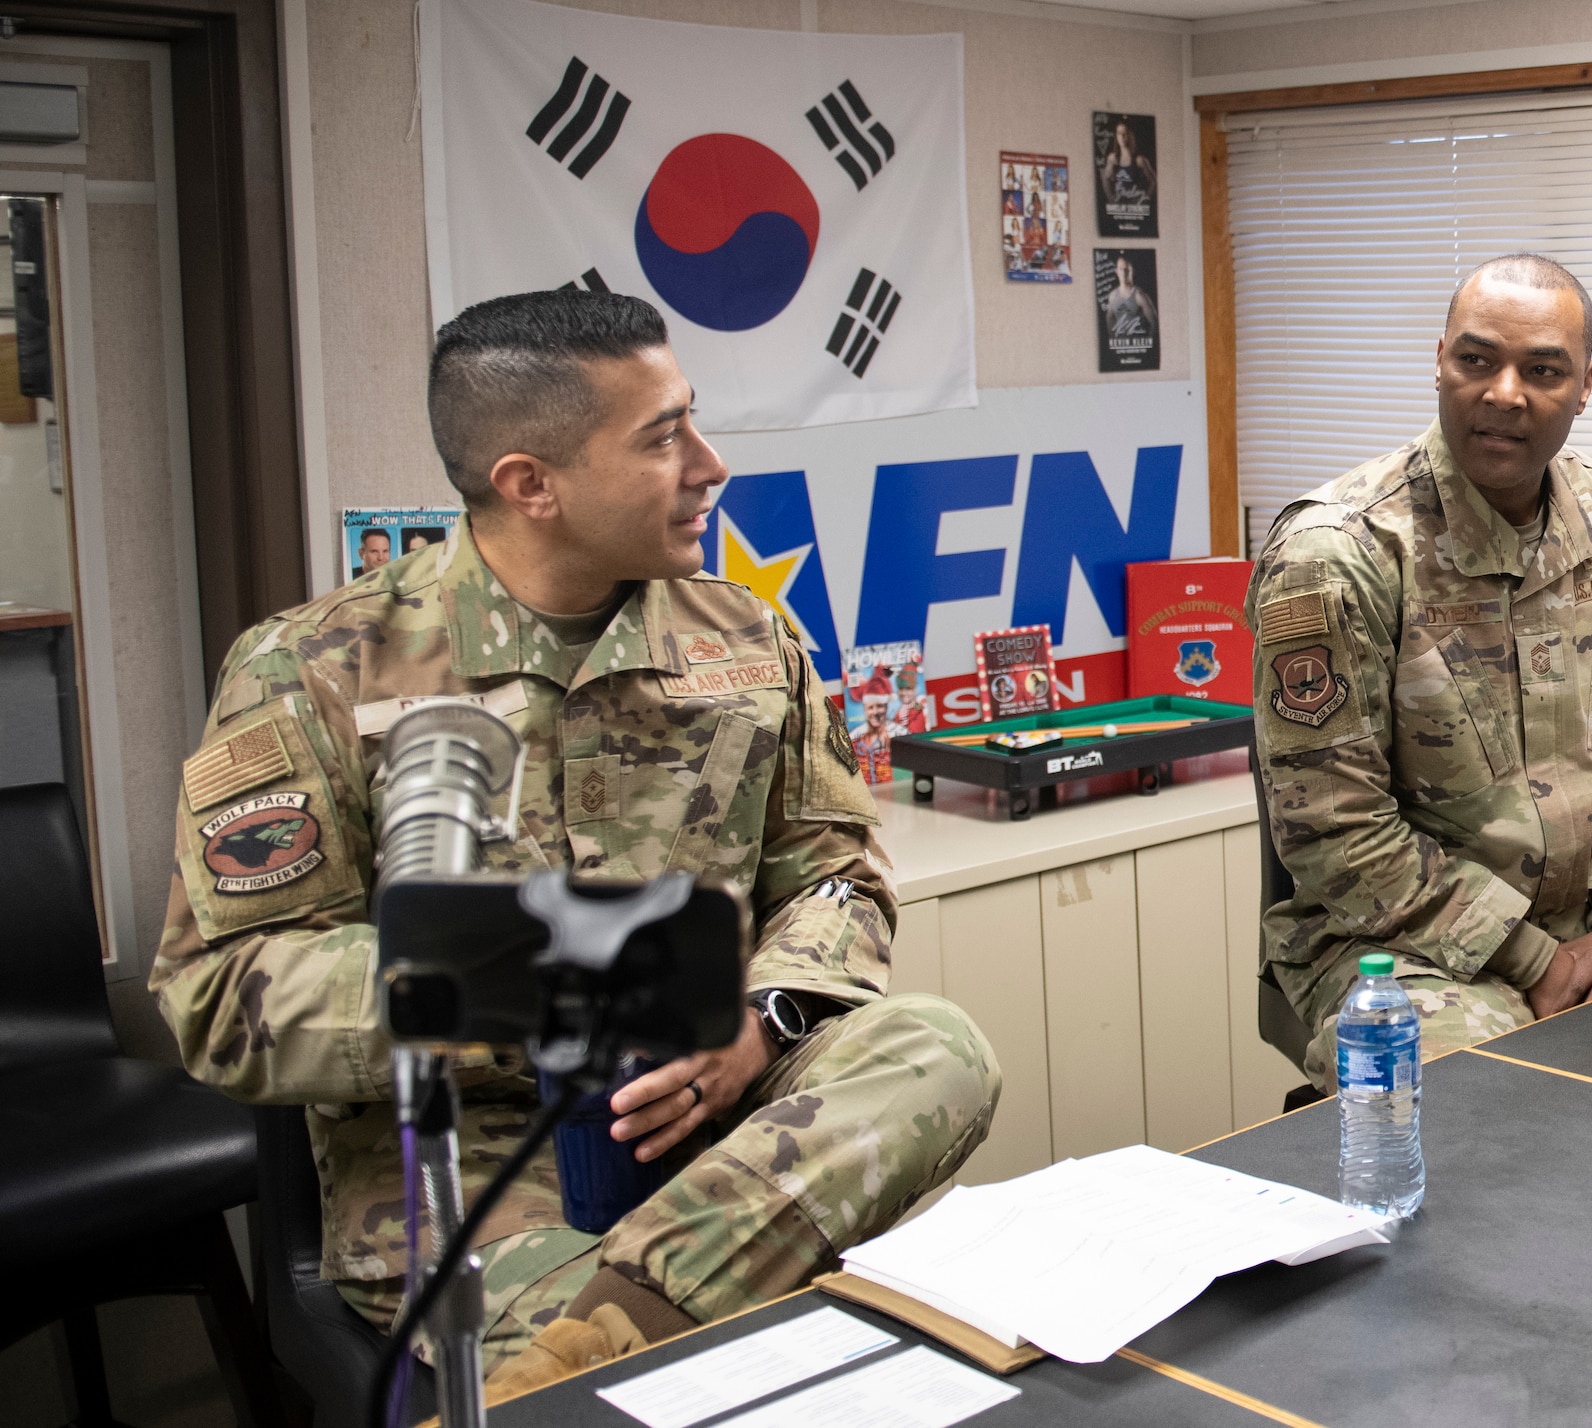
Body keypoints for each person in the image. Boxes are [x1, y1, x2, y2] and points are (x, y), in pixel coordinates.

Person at [150, 289, 1001, 1390]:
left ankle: (605, 1338)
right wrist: (530, 985)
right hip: (481, 1172)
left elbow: (835, 873)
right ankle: (646, 1325)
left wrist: (758, 1017)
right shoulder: (314, 669)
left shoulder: (745, 636)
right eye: (661, 437)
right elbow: (220, 996)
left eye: (692, 419)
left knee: (937, 1044)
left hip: (731, 1121)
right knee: (747, 1371)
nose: (709, 464)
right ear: (529, 484)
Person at [1249, 253, 1592, 1080]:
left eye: (1543, 370)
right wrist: (1535, 958)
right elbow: (1336, 833)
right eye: (1477, 360)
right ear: (1439, 359)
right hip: (1403, 940)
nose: (1505, 393)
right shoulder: (1339, 554)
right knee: (1498, 1097)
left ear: (1584, 386)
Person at [1097, 118, 1156, 211]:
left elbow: (1153, 181)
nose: (1122, 136)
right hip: (1119, 207)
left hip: (1135, 208)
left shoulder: (1139, 160)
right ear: (1116, 136)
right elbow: (1105, 179)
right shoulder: (1113, 158)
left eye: (1125, 133)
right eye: (1119, 133)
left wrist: (1144, 201)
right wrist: (1111, 200)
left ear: (1130, 135)